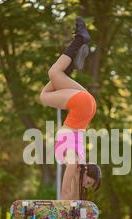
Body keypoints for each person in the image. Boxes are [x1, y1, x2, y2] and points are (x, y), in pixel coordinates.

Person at [39, 16, 102, 200]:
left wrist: (78, 208)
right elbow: (66, 193)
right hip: (82, 106)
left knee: (56, 77)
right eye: (89, 182)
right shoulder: (75, 162)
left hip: (88, 106)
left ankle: (72, 65)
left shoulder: (78, 164)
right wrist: (66, 211)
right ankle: (80, 41)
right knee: (48, 85)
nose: (86, 185)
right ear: (87, 172)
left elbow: (74, 191)